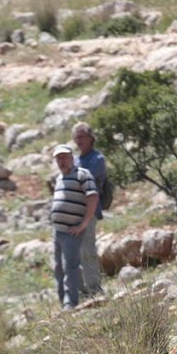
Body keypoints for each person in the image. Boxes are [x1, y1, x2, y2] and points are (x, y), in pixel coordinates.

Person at [49, 144, 98, 310]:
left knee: (70, 265)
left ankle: (71, 303)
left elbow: (92, 197)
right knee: (58, 267)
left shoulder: (83, 174)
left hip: (73, 230)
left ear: (71, 157)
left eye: (64, 157)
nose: (62, 161)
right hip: (58, 231)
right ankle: (63, 300)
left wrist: (84, 223)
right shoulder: (59, 178)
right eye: (58, 158)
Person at [72, 122, 106, 297]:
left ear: (91, 138)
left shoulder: (97, 159)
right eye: (76, 137)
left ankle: (95, 288)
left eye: (82, 136)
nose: (79, 141)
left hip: (89, 210)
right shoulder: (76, 160)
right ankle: (83, 290)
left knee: (88, 249)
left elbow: (85, 182)